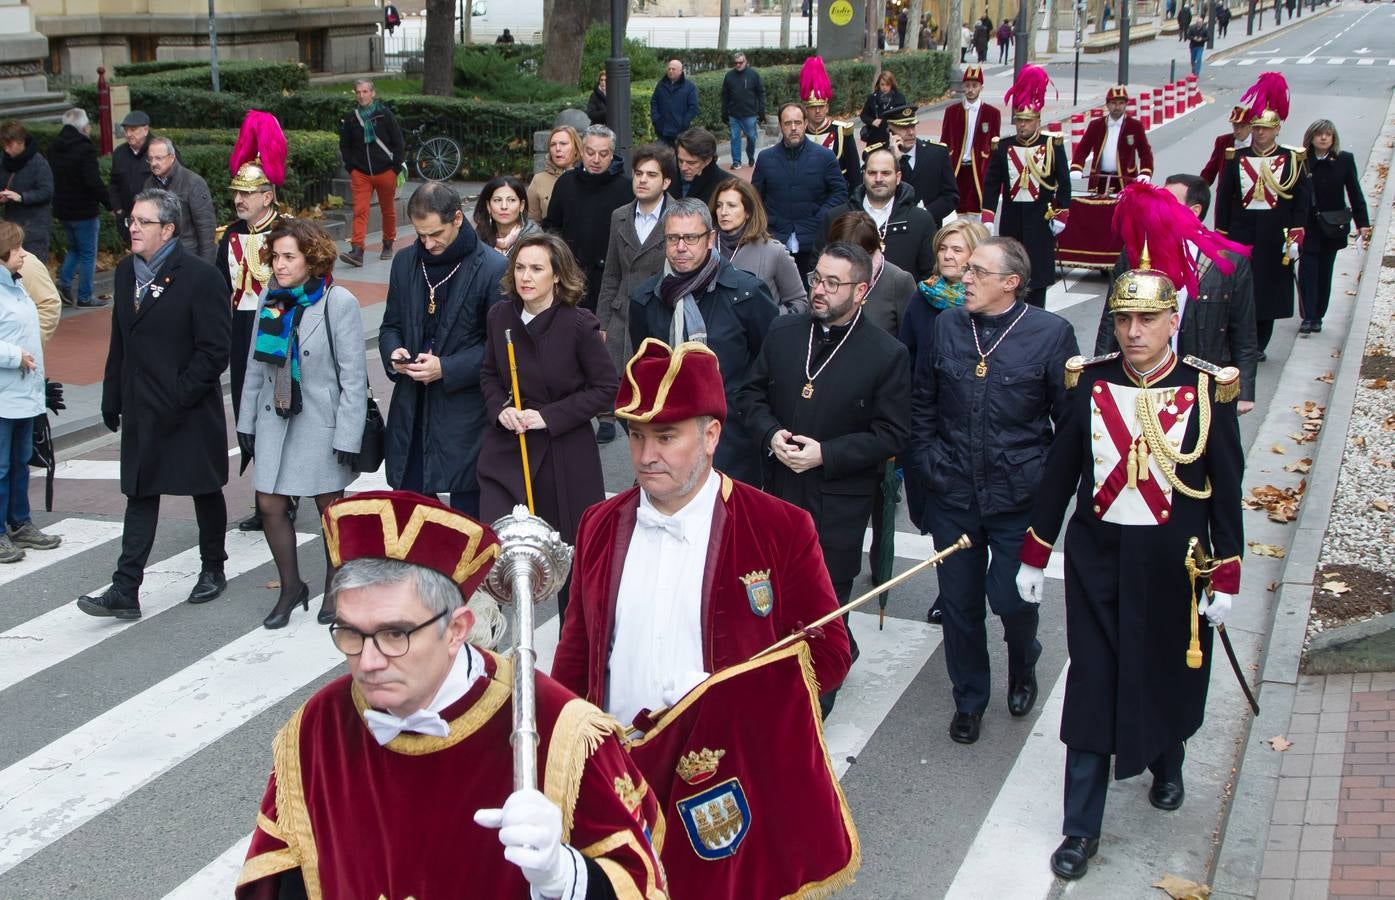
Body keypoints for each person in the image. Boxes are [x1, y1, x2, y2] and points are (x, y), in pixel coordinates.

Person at [236, 490, 666, 900]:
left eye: (394, 634)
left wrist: (566, 875)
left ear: (457, 629)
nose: (366, 662)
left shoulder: (562, 732)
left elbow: (640, 884)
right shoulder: (317, 727)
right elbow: (281, 884)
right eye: (351, 632)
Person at [1015, 215, 1244, 882]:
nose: (1133, 333)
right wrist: (1034, 553)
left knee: (1165, 672)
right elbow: (1059, 475)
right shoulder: (1088, 380)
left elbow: (1223, 489)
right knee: (1091, 689)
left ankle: (1165, 760)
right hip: (1096, 566)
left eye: (1146, 320)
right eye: (1123, 321)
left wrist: (1225, 573)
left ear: (1173, 320)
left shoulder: (1206, 388)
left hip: (1176, 571)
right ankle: (1080, 827)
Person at [552, 338, 852, 722]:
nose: (646, 457)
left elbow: (830, 655)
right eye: (636, 435)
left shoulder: (781, 526)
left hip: (727, 766)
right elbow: (575, 653)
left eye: (665, 437)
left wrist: (733, 694)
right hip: (619, 766)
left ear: (711, 436)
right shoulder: (598, 523)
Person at [909, 236, 1076, 745]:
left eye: (979, 272)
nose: (965, 278)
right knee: (960, 604)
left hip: (1016, 498)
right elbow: (922, 406)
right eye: (967, 270)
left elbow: (1068, 426)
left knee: (1010, 598)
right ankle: (970, 698)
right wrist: (931, 465)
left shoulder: (1050, 334)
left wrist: (1043, 485)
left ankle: (1024, 661)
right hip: (953, 492)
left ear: (1012, 283)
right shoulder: (947, 326)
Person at [737, 241, 911, 711]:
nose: (819, 290)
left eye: (833, 284)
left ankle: (818, 698)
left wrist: (826, 455)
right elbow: (750, 397)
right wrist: (771, 434)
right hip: (780, 490)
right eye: (817, 278)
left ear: (861, 291)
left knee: (826, 598)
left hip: (838, 498)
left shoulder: (885, 353)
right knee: (773, 593)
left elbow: (893, 435)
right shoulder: (785, 331)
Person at [78, 188, 231, 619]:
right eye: (131, 220)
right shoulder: (127, 272)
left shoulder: (201, 277)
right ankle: (126, 589)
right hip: (142, 406)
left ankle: (213, 567)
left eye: (143, 222)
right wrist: (112, 395)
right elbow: (121, 340)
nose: (133, 227)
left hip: (187, 407)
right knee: (140, 493)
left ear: (168, 229)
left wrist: (180, 393)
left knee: (204, 488)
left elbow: (215, 350)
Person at [479, 234, 617, 622]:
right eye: (520, 267)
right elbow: (489, 374)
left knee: (568, 559)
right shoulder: (499, 316)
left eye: (537, 269)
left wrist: (550, 416)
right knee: (500, 552)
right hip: (509, 447)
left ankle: (572, 655)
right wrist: (499, 411)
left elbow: (607, 388)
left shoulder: (578, 324)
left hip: (564, 454)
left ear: (557, 276)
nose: (526, 277)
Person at [237, 218, 367, 629]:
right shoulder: (269, 301)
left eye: (288, 256)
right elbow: (254, 368)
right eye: (275, 257)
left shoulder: (336, 301)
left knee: (329, 510)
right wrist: (245, 424)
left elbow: (353, 377)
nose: (279, 265)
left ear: (311, 259)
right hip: (276, 419)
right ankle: (291, 586)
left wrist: (349, 433)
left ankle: (334, 582)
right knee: (269, 503)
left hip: (321, 423)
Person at [380, 182, 508, 517]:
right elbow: (390, 324)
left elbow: (501, 348)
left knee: (469, 517)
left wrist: (446, 368)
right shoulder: (406, 262)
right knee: (411, 511)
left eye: (435, 233)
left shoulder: (493, 267)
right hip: (413, 404)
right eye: (420, 235)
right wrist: (394, 354)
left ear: (457, 219)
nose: (428, 243)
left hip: (465, 413)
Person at [630, 198, 777, 487]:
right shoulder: (646, 299)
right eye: (673, 238)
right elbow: (642, 372)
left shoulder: (745, 294)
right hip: (668, 436)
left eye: (690, 237)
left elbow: (771, 369)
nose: (681, 247)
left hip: (732, 438)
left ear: (710, 239)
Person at [1094, 176, 1260, 415]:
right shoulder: (1136, 252)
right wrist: (1100, 375)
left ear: (1194, 211)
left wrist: (1244, 390)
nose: (1157, 207)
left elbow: (1243, 330)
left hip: (1202, 379)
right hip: (1142, 376)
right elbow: (1111, 320)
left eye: (1168, 201)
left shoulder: (1229, 261)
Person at [901, 219, 989, 597]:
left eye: (958, 250)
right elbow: (905, 354)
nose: (948, 256)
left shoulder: (984, 304)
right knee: (935, 514)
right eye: (943, 249)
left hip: (968, 422)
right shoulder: (923, 299)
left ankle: (958, 590)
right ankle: (950, 587)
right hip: (926, 419)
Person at [218, 111, 289, 534]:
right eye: (237, 193)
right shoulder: (227, 235)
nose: (240, 200)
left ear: (268, 194)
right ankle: (265, 495)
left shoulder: (287, 232)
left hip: (277, 328)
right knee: (249, 411)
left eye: (248, 193)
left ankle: (286, 493)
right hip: (238, 328)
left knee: (278, 408)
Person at [1215, 72, 1309, 356]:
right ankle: (1236, 340)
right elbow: (1224, 198)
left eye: (1265, 129)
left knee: (1267, 292)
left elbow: (1301, 201)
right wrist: (1221, 235)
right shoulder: (1237, 158)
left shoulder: (1293, 159)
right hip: (1242, 233)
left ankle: (1259, 344)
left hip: (1274, 235)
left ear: (1277, 129)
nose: (1259, 133)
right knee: (1237, 290)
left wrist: (1295, 236)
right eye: (1256, 128)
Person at [596, 143, 676, 444]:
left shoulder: (678, 216)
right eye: (638, 173)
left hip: (659, 316)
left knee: (655, 399)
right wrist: (602, 323)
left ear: (666, 182)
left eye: (651, 175)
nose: (642, 180)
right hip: (621, 316)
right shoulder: (620, 216)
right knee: (623, 398)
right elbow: (612, 273)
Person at [981, 66, 1072, 309]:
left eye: (1027, 121)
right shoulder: (1003, 146)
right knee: (1010, 271)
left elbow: (1064, 182)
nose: (1022, 126)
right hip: (1012, 218)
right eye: (1019, 121)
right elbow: (992, 183)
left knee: (1037, 275)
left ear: (1037, 122)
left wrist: (1062, 213)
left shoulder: (1052, 145)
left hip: (1040, 218)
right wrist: (988, 215)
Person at [0, 222, 61, 564]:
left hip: (24, 395)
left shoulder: (17, 285)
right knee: (1, 468)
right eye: (17, 249)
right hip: (4, 397)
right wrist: (15, 356)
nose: (24, 254)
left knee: (20, 464)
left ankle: (20, 523)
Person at [543, 124, 634, 312]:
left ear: (612, 154)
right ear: (582, 152)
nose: (596, 159)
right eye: (590, 152)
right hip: (570, 276)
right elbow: (551, 227)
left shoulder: (626, 188)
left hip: (610, 280)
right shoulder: (566, 183)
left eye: (603, 153)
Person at [752, 102, 849, 279]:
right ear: (781, 126)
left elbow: (840, 193)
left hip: (814, 241)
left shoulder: (824, 156)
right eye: (788, 123)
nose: (794, 128)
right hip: (776, 240)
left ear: (805, 123)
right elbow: (755, 197)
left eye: (798, 122)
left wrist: (821, 217)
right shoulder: (765, 158)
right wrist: (767, 222)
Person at [817, 144, 937, 282]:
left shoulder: (921, 220)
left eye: (886, 173)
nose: (878, 179)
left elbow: (929, 275)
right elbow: (819, 266)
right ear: (864, 176)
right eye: (872, 173)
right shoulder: (836, 218)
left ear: (898, 177)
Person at [1300, 119, 1371, 335]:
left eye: (1328, 135)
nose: (1323, 138)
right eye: (1319, 134)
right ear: (1311, 137)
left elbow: (1354, 192)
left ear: (1333, 138)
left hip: (1332, 226)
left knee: (1324, 271)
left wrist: (1363, 223)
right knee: (1307, 271)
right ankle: (1308, 316)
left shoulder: (1344, 160)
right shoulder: (1301, 160)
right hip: (1307, 225)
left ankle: (1318, 315)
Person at [711, 178, 807, 315]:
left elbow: (800, 302)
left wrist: (770, 318)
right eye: (719, 205)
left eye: (731, 205)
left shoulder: (774, 251)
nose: (723, 212)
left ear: (748, 212)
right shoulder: (704, 244)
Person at [338, 79, 404, 267]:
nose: (362, 95)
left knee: (388, 210)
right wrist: (351, 167)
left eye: (365, 91)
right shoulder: (352, 118)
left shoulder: (384, 115)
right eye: (358, 92)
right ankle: (357, 250)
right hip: (361, 173)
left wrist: (395, 167)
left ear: (372, 93)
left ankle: (388, 242)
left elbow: (398, 141)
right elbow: (345, 144)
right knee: (360, 211)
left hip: (385, 171)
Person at [820, 211, 919, 337]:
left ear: (871, 250)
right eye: (838, 252)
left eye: (852, 255)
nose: (845, 260)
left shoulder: (898, 281)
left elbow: (911, 339)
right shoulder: (823, 275)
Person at [49, 108, 109, 308]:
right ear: (84, 127)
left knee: (74, 249)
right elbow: (93, 181)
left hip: (64, 209)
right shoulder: (85, 148)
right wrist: (109, 202)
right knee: (87, 253)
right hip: (84, 209)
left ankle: (64, 283)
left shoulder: (55, 148)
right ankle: (85, 296)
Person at [940, 66, 1003, 218]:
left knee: (976, 209)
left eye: (974, 86)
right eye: (967, 85)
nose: (970, 89)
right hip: (957, 166)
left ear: (981, 87)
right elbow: (945, 140)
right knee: (957, 209)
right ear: (963, 87)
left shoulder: (992, 113)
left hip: (979, 166)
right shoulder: (952, 111)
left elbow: (994, 143)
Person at [143, 135, 217, 263]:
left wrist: (206, 266)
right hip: (158, 257)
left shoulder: (193, 183)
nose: (154, 163)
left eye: (159, 158)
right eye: (150, 159)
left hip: (187, 255)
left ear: (172, 158)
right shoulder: (149, 184)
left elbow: (206, 228)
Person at [1070, 86, 1154, 195]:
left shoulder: (1134, 126)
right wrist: (1076, 167)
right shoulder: (1096, 125)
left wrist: (1145, 172)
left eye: (1121, 103)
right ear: (1107, 105)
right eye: (1114, 103)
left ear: (1125, 104)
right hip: (1099, 179)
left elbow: (1145, 153)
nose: (1117, 107)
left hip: (1125, 179)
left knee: (1125, 210)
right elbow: (1082, 149)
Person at [887, 106, 960, 227]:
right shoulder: (880, 157)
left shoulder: (937, 153)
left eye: (913, 126)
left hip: (929, 228)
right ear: (890, 131)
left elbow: (951, 196)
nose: (911, 132)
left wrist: (925, 214)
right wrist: (894, 161)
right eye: (904, 128)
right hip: (893, 228)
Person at [800, 57, 861, 194]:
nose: (817, 111)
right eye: (813, 107)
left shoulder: (841, 130)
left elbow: (854, 170)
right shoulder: (800, 132)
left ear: (827, 108)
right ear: (806, 109)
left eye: (821, 106)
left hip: (838, 194)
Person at [0, 120, 54, 263]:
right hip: (11, 229)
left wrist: (21, 197)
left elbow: (47, 192)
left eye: (10, 145)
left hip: (35, 229)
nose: (6, 150)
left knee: (33, 268)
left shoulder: (38, 162)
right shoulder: (3, 161)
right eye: (4, 145)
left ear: (20, 141)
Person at [109, 110, 152, 246]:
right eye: (126, 130)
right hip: (128, 219)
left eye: (133, 130)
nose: (128, 134)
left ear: (145, 130)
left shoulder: (159, 150)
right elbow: (114, 183)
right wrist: (118, 210)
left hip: (154, 219)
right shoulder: (120, 153)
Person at [471, 175, 540, 256]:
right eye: (497, 200)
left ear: (521, 205)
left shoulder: (534, 238)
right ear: (488, 206)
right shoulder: (478, 236)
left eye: (511, 200)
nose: (504, 206)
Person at [721, 52, 765, 170]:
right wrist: (724, 111)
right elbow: (724, 95)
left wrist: (761, 110)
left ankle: (750, 156)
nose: (738, 65)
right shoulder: (729, 76)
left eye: (741, 62)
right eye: (736, 63)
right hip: (734, 114)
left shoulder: (753, 75)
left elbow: (760, 93)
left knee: (751, 137)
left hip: (749, 113)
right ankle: (736, 161)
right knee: (735, 138)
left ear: (746, 62)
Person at [527, 124, 580, 222]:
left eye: (563, 143)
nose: (558, 148)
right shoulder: (538, 180)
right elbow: (532, 224)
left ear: (576, 149)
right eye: (553, 144)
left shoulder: (587, 177)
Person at [670, 127, 733, 203]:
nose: (683, 168)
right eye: (680, 160)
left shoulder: (727, 185)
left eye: (691, 163)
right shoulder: (668, 175)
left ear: (708, 160)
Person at [650, 59, 699, 148]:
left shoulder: (689, 87)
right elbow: (654, 102)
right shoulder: (661, 85)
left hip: (679, 132)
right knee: (662, 157)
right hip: (662, 130)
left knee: (678, 158)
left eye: (673, 69)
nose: (670, 71)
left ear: (680, 71)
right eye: (669, 69)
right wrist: (655, 119)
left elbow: (693, 108)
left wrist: (684, 122)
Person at [1200, 106, 1252, 188]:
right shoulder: (1223, 141)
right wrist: (1199, 189)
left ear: (1250, 127)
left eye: (1242, 126)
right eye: (1235, 126)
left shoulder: (1260, 143)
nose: (1238, 131)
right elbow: (1211, 170)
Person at [859, 70, 906, 149]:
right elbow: (864, 115)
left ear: (892, 85)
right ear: (879, 84)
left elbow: (903, 116)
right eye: (882, 84)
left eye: (887, 85)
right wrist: (872, 121)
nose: (884, 87)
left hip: (893, 136)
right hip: (875, 138)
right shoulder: (872, 98)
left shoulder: (899, 98)